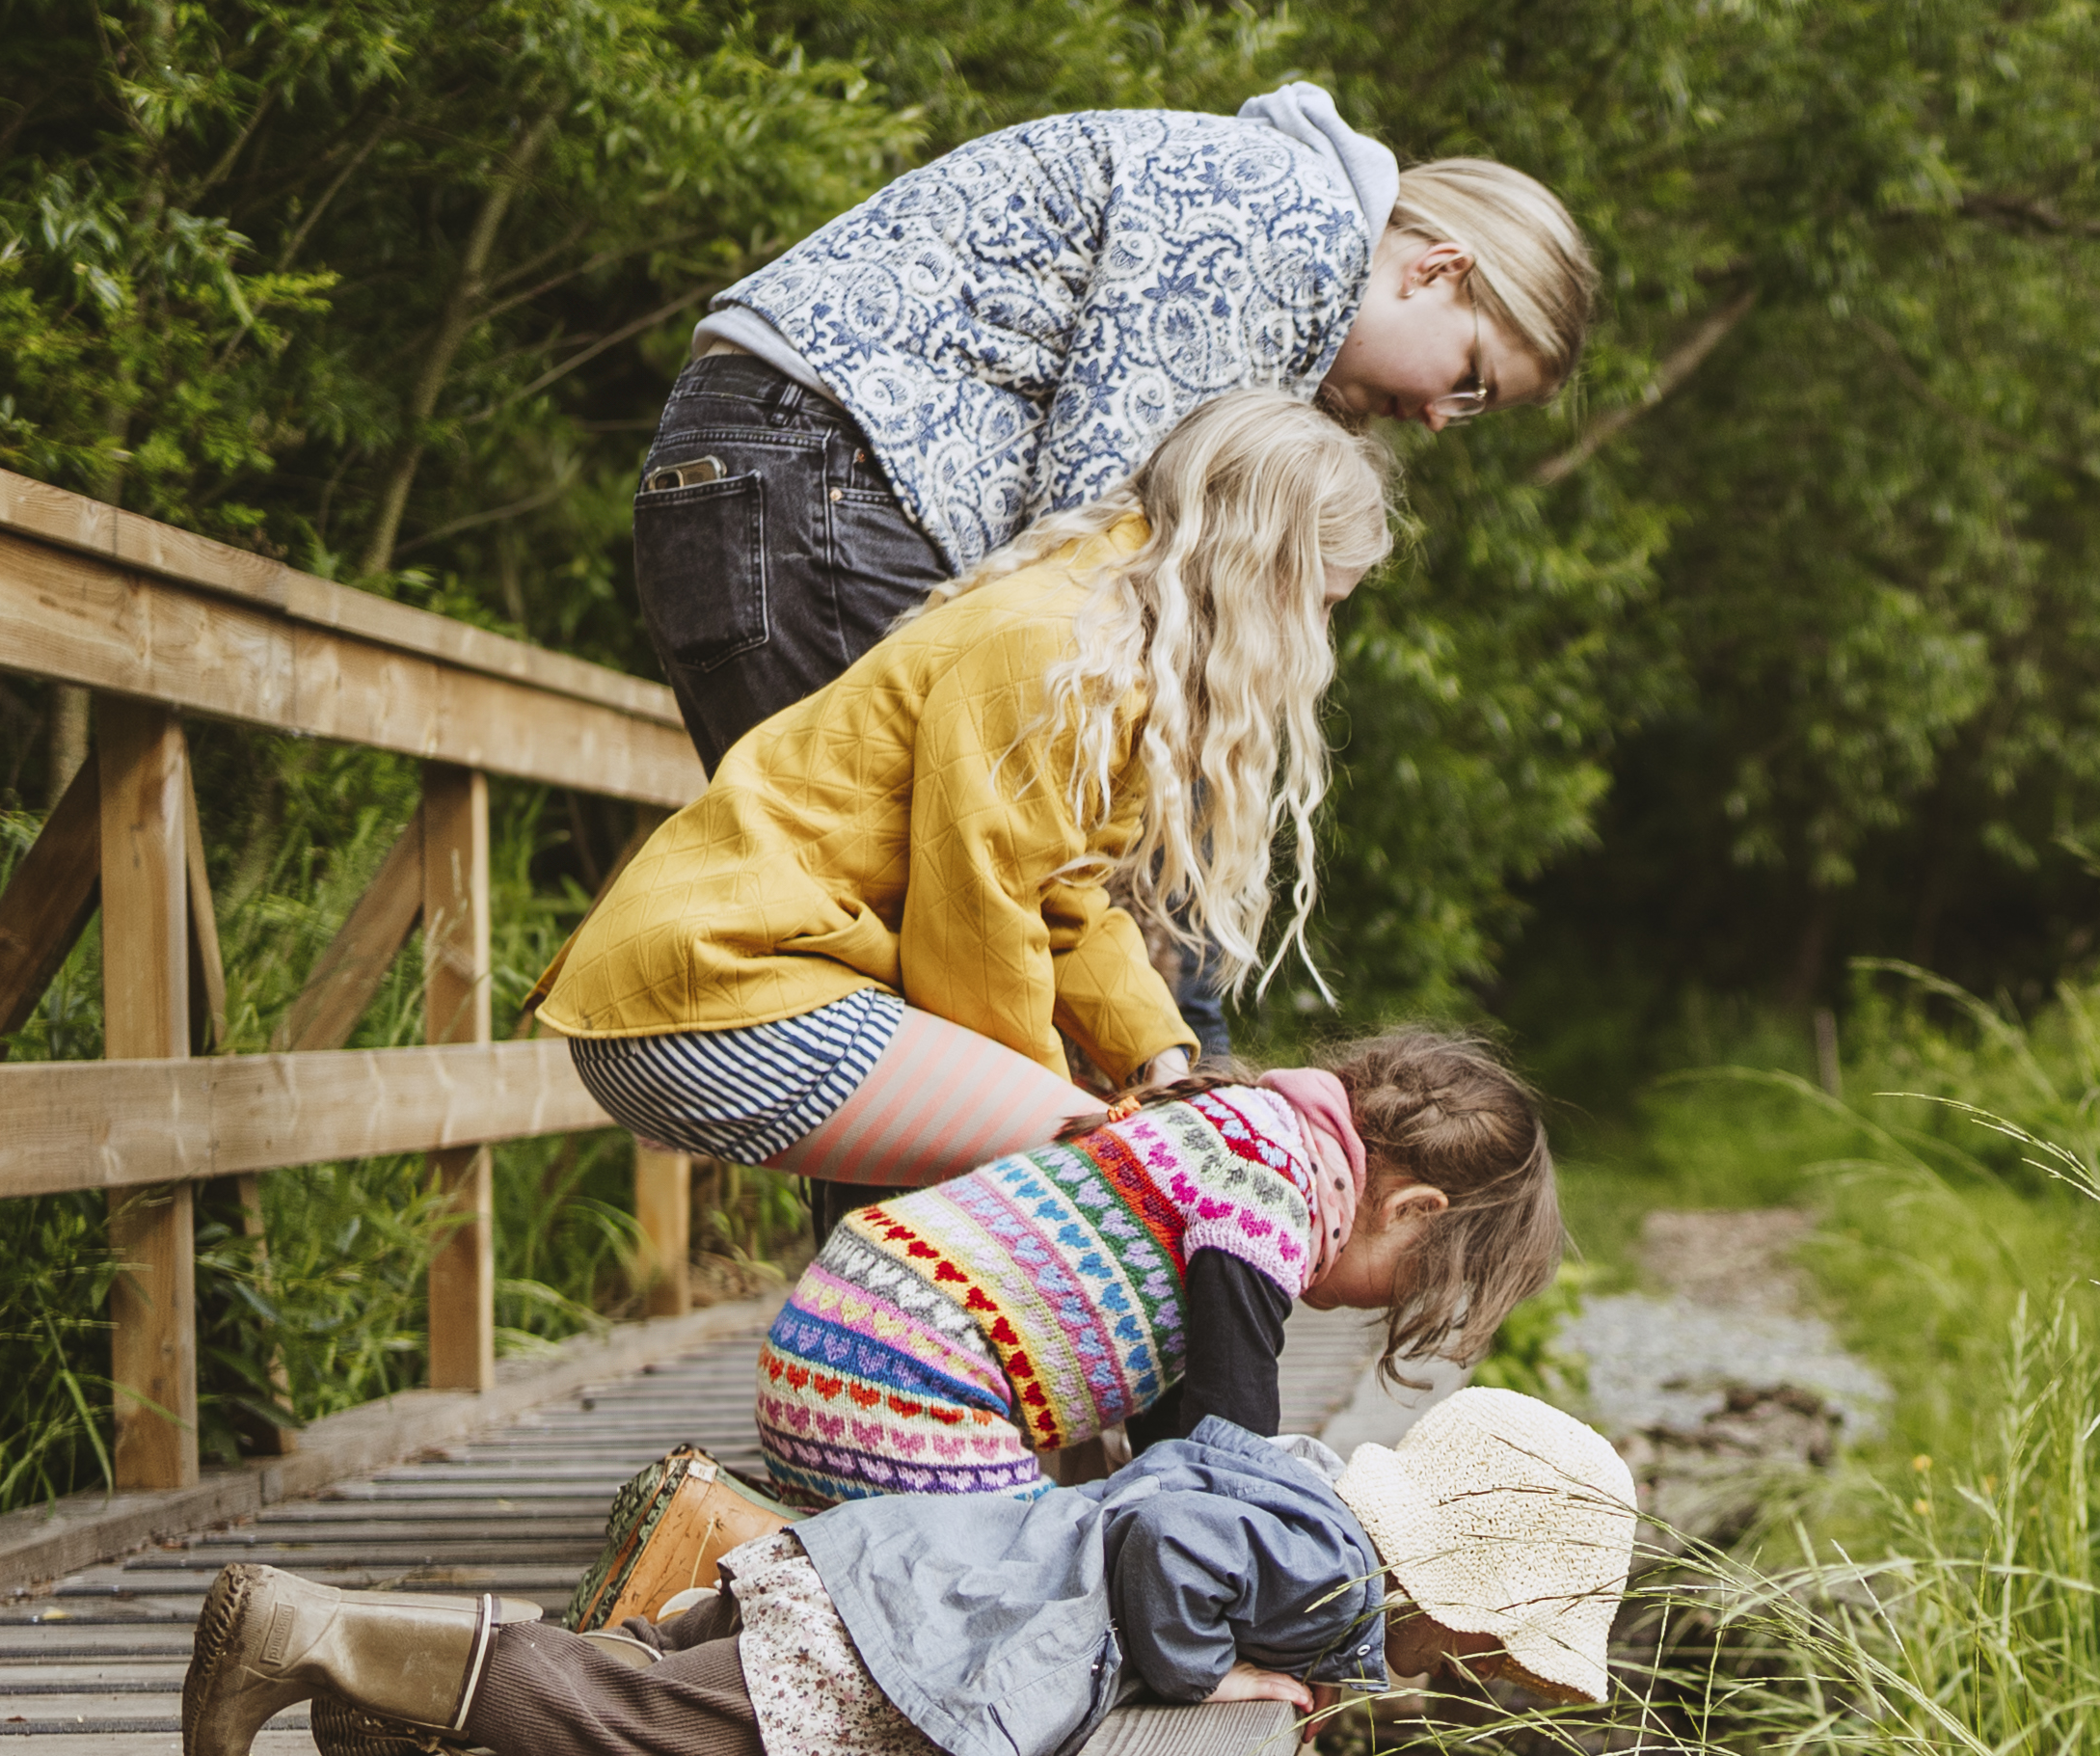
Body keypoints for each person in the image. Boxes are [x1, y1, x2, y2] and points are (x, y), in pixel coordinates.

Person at [634, 83, 1595, 1058]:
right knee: (942, 966)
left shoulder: (1279, 235)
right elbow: (1106, 562)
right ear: (1438, 269)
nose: (1441, 417)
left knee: (868, 962)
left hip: (766, 486)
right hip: (818, 482)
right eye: (1473, 381)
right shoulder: (1289, 219)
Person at [539, 393, 1386, 1196]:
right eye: (1319, 603)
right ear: (1256, 565)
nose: (1315, 637)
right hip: (722, 989)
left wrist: (1155, 1058)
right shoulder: (1055, 648)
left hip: (749, 985)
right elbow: (977, 918)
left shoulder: (1099, 641)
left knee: (1108, 1150)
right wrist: (1062, 1110)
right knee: (1111, 1175)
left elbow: (1060, 898)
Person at [175, 1386, 1641, 1756]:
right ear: (1460, 1593)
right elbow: (1162, 1560)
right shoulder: (1329, 1564)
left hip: (896, 1570)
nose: (1471, 1671)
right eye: (1492, 1652)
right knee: (640, 1719)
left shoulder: (1299, 1485)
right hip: (897, 1643)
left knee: (657, 1672)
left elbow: (1171, 1501)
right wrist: (1212, 1679)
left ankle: (370, 1701)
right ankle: (319, 1632)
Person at [752, 1027, 1559, 1506]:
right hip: (901, 1389)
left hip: (836, 1352)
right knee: (1054, 1596)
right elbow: (1228, 1457)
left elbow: (1175, 1446)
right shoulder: (1267, 1189)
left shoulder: (1242, 1133)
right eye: (1416, 1280)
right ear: (1412, 1210)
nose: (1380, 1306)